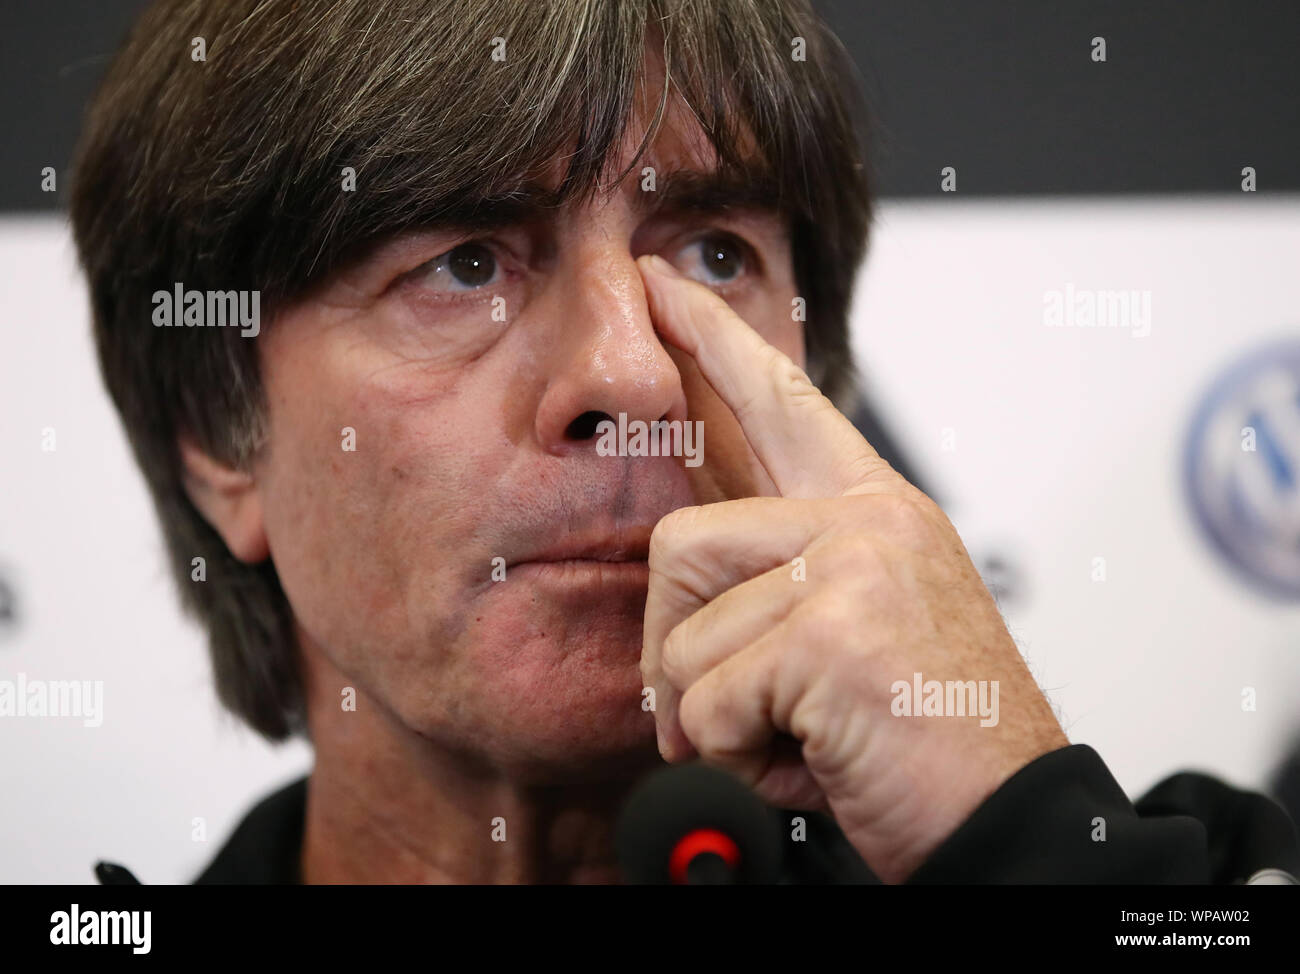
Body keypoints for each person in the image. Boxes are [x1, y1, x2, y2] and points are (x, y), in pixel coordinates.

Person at [70, 0, 1298, 884]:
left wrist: (1015, 838)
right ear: (217, 433)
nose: (634, 371)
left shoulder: (1192, 883)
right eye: (461, 263)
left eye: (715, 254)